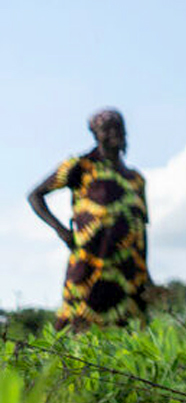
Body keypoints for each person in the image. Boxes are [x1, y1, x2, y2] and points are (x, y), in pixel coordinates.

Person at [28, 108, 153, 331]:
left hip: (129, 271)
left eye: (118, 128)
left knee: (131, 332)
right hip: (89, 265)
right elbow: (35, 195)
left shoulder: (136, 179)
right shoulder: (81, 166)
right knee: (78, 326)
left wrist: (147, 274)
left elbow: (141, 229)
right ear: (96, 134)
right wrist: (61, 231)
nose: (114, 133)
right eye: (107, 129)